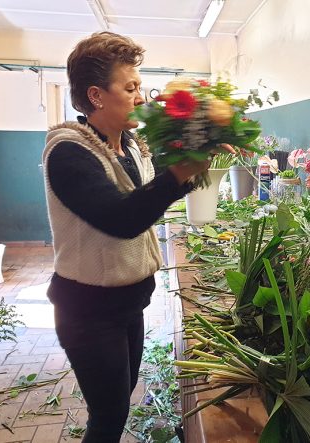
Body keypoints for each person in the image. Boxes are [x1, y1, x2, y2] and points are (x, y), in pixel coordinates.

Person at [42, 32, 216, 442]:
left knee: (120, 400)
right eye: (131, 87)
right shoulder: (68, 152)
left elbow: (150, 198)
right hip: (88, 311)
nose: (140, 97)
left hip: (129, 301)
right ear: (96, 95)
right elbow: (121, 219)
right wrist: (180, 173)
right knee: (108, 415)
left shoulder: (131, 146)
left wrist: (198, 154)